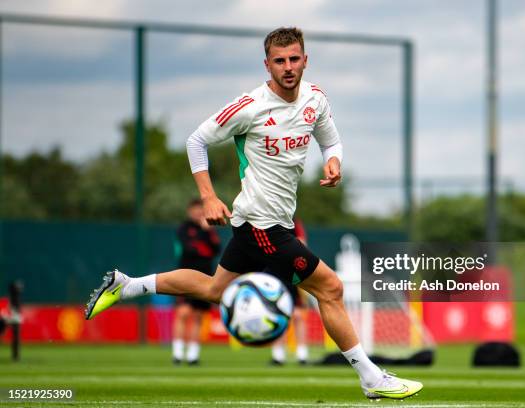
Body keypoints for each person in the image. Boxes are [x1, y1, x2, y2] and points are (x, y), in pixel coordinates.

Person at [85, 27, 423, 399]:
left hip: (270, 222)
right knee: (331, 288)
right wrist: (209, 197)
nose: (288, 67)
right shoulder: (250, 106)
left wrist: (333, 162)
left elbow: (331, 139)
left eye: (294, 59)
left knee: (216, 289)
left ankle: (129, 284)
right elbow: (196, 140)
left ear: (305, 60)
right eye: (280, 61)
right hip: (262, 225)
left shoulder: (315, 99)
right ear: (268, 65)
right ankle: (371, 378)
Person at [172, 198, 221, 365]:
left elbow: (216, 250)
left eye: (201, 210)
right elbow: (189, 249)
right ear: (189, 211)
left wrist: (207, 232)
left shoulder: (209, 229)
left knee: (199, 316)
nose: (198, 212)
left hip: (205, 276)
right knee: (183, 313)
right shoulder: (183, 228)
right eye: (195, 209)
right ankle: (177, 353)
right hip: (185, 276)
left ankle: (193, 355)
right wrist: (203, 247)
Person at [270, 218, 309, 366]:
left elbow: (302, 244)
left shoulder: (294, 222)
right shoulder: (265, 220)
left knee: (298, 315)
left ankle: (302, 354)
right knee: (278, 315)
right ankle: (278, 355)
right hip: (273, 273)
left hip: (292, 272)